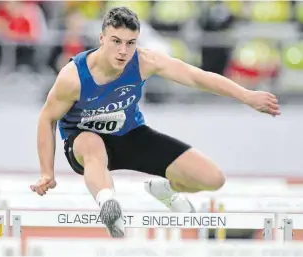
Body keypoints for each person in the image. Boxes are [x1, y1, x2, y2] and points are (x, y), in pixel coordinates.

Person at [30, 7, 281, 238]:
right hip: (84, 141)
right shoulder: (73, 77)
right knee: (92, 144)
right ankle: (109, 205)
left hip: (130, 134)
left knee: (212, 178)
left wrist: (246, 95)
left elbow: (198, 77)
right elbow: (47, 118)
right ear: (102, 39)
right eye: (116, 42)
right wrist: (46, 172)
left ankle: (165, 189)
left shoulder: (144, 61)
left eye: (130, 43)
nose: (123, 51)